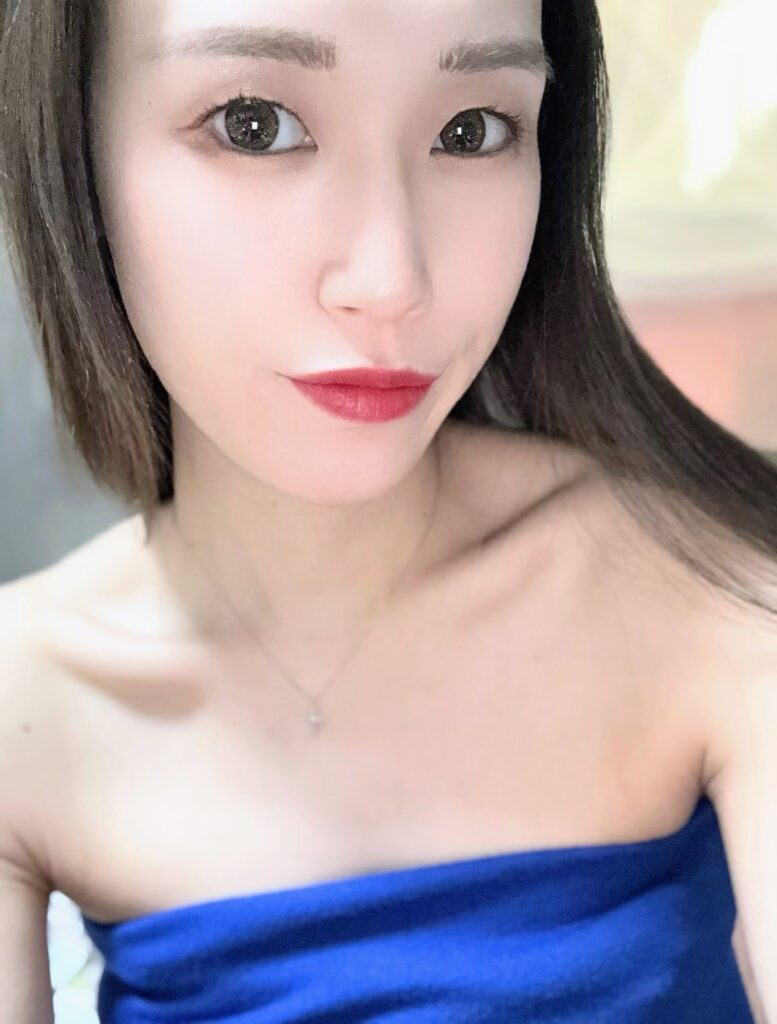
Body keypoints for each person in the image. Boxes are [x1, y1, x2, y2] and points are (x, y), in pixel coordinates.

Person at [0, 1, 775, 1022]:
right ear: (72, 149)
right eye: (253, 125)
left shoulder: (703, 591)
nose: (390, 278)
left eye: (471, 131)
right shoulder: (28, 705)